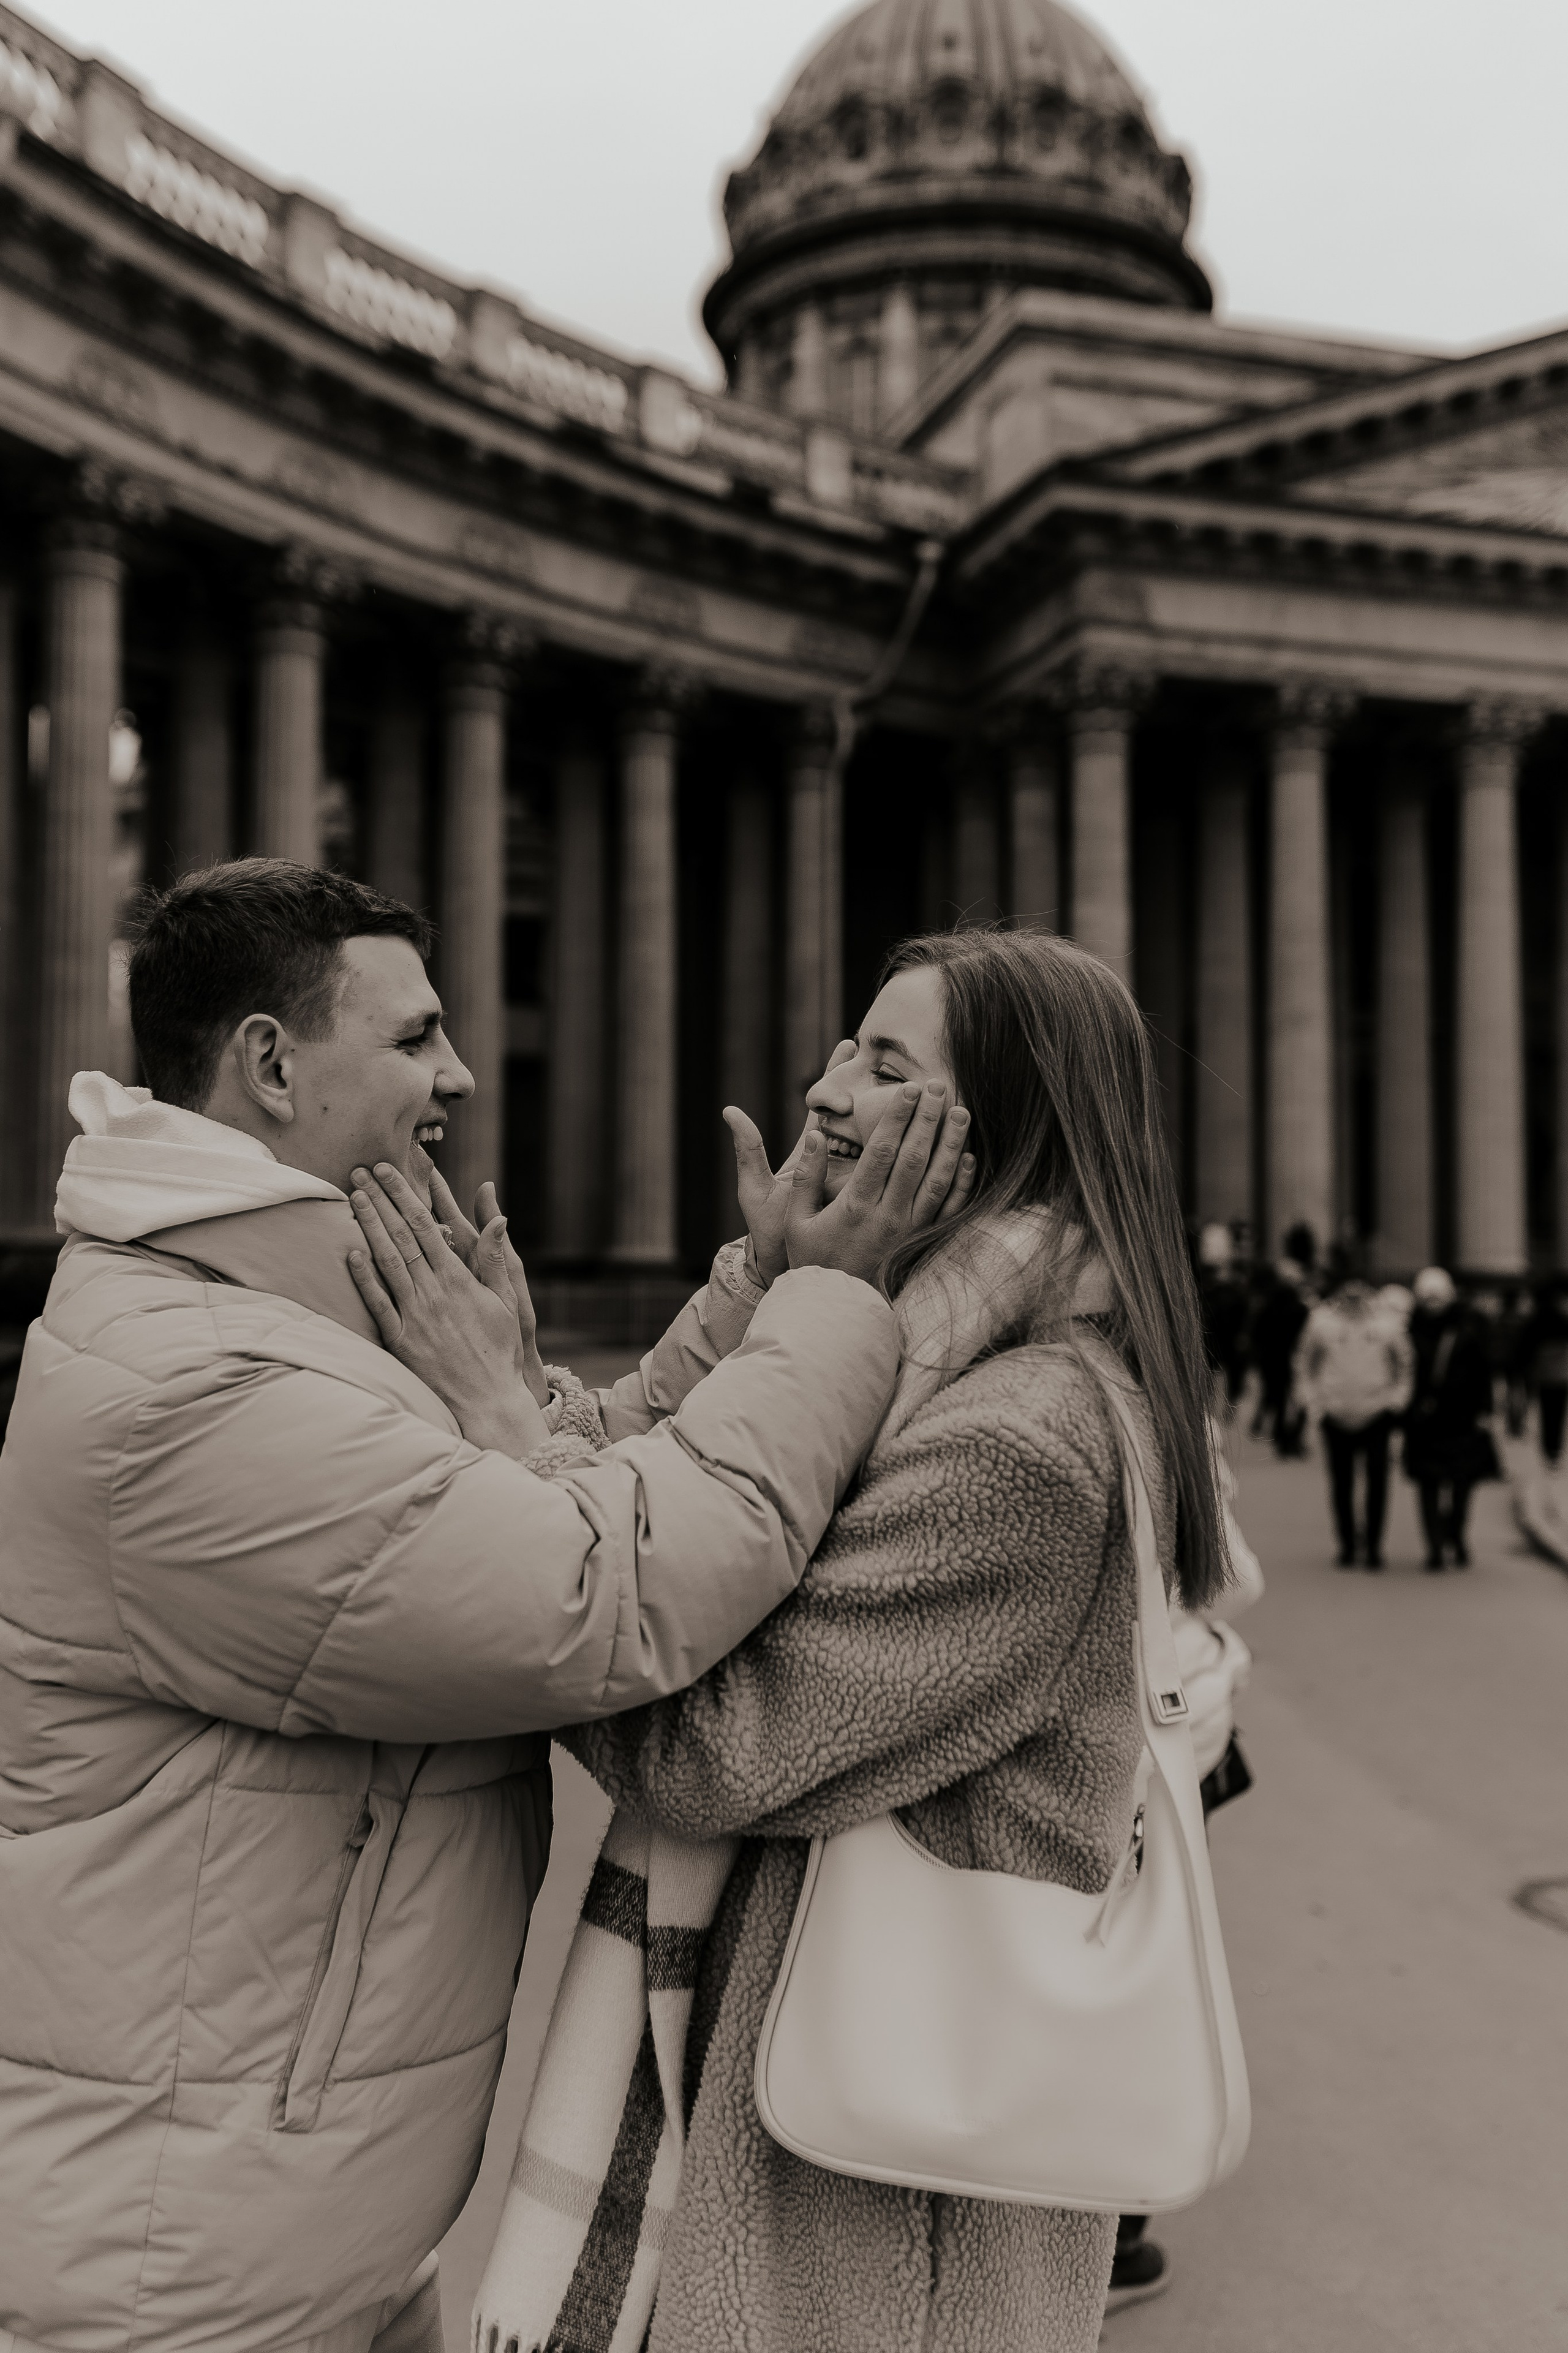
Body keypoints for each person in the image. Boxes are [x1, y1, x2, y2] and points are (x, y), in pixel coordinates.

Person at [0, 859, 974, 2353]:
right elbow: (593, 1589)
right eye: (412, 1037)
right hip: (176, 2269)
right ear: (269, 1061)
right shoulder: (198, 1384)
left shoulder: (269, 1308)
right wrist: (830, 1303)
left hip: (274, 2211)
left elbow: (551, 1481)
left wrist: (747, 1292)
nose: (457, 1071)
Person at [471, 927, 1230, 2353]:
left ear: (992, 1140)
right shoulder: (891, 1369)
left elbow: (704, 1744)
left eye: (886, 1067)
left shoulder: (1019, 1441)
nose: (826, 1090)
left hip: (878, 2228)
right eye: (841, 1044)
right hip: (806, 2138)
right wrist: (767, 1282)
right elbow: (668, 1504)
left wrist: (511, 1502)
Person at [1293, 1277, 1415, 1568]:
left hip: (1376, 1414)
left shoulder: (1387, 1325)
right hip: (1335, 1414)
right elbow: (1304, 1362)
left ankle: (1373, 1545)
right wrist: (1314, 1405)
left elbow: (1405, 1364)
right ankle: (1347, 1544)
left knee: (1377, 1483)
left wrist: (1396, 1402)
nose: (1355, 1296)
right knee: (1342, 1483)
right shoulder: (1321, 1324)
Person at [1403, 1265, 1497, 1569]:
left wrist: (1486, 1410)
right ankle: (1434, 1547)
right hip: (1425, 1419)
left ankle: (1455, 1535)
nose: (1432, 1305)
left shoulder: (1470, 1326)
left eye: (1437, 1299)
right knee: (1429, 1484)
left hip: (1463, 1416)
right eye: (1427, 1299)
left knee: (1462, 1484)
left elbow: (1484, 1371)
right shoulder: (1408, 1328)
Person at [1248, 1229, 1315, 1455]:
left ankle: (1282, 1437)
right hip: (1288, 1357)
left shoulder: (1271, 1304)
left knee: (1278, 1399)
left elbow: (1258, 1331)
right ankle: (1290, 1438)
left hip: (1275, 1357)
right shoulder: (1299, 1306)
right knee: (1294, 1400)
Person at [1516, 1280, 1568, 1468]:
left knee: (1547, 1410)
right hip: (1560, 1372)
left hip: (1544, 1372)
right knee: (1558, 1411)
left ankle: (1548, 1447)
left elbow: (1525, 1347)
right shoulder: (1561, 1318)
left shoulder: (1536, 1319)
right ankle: (1554, 1448)